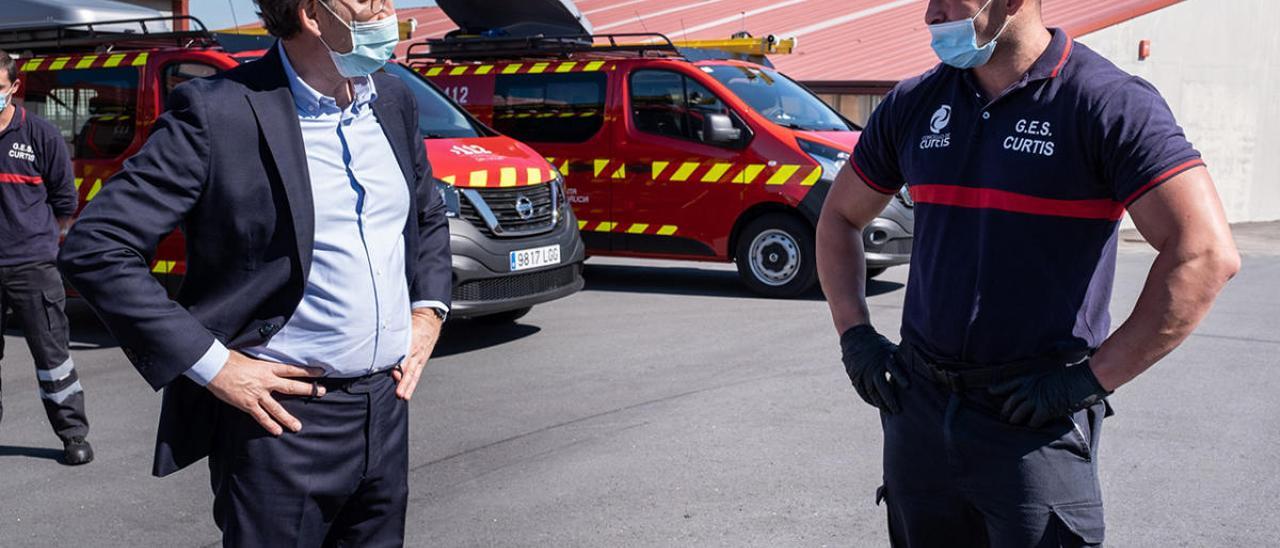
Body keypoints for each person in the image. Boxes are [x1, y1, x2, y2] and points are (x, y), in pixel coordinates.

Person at [816, 0, 1240, 545]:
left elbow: (1204, 253)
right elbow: (840, 217)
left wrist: (1089, 380)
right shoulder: (916, 101)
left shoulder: (1104, 101)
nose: (931, 14)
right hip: (918, 413)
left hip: (1032, 418)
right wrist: (855, 337)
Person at [58, 0, 452, 544]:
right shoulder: (218, 111)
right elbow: (97, 246)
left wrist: (429, 310)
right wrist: (216, 367)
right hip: (282, 425)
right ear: (313, 14)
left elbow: (427, 212)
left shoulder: (395, 101)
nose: (386, 8)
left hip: (386, 409)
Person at [0, 50, 93, 465]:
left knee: (52, 356)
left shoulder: (40, 135)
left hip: (31, 266)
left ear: (14, 87)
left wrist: (41, 244)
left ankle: (73, 434)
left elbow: (64, 200)